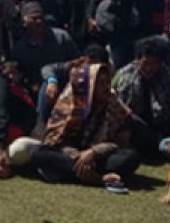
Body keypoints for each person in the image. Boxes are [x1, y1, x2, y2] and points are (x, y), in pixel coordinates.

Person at [33, 60, 139, 190]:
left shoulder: (115, 105)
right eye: (101, 83)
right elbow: (53, 139)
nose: (106, 87)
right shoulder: (68, 101)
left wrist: (93, 152)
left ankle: (77, 175)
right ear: (90, 85)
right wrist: (78, 157)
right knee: (40, 154)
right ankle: (97, 177)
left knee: (131, 156)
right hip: (70, 155)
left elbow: (120, 143)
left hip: (99, 156)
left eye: (108, 82)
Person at [112, 36, 170, 158]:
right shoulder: (123, 76)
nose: (149, 68)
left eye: (154, 63)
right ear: (137, 60)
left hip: (165, 126)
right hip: (137, 126)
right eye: (145, 63)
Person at [88, 0, 166, 71]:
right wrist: (91, 19)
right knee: (119, 68)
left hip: (145, 38)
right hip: (120, 36)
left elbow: (158, 23)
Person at [8, 1, 79, 99]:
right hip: (36, 93)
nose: (39, 22)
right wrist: (30, 86)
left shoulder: (61, 37)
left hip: (65, 86)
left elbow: (78, 60)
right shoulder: (20, 48)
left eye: (41, 18)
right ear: (24, 22)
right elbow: (19, 74)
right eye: (34, 18)